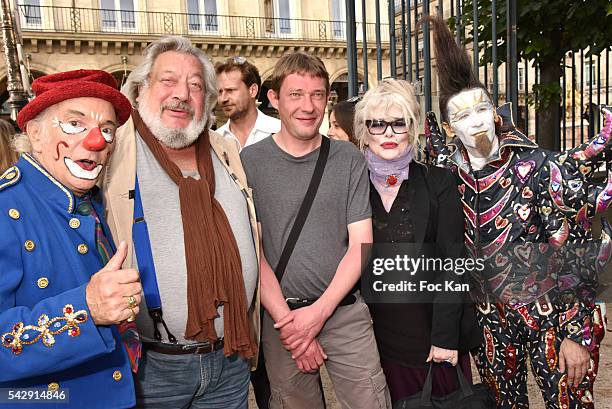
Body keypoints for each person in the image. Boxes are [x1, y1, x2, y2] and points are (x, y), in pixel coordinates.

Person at [425, 16, 610, 408]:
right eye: (461, 116)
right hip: (488, 324)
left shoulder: (538, 167)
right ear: (448, 126)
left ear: (495, 113)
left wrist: (576, 332)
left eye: (481, 109)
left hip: (551, 318)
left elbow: (575, 250)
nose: (475, 121)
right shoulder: (445, 176)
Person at [101, 36, 260, 408]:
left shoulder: (225, 150)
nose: (182, 94)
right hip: (152, 367)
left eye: (195, 85)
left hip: (230, 358)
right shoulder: (114, 150)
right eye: (168, 80)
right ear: (141, 89)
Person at [240, 51, 391, 409]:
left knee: (372, 400)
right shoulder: (249, 162)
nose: (307, 106)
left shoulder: (348, 158)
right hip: (281, 320)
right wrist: (292, 328)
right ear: (274, 98)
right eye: (296, 94)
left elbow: (361, 245)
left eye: (317, 95)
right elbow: (252, 252)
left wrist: (319, 314)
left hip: (343, 312)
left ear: (327, 99)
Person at [0, 69, 138, 408]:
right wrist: (86, 309)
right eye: (75, 124)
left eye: (106, 130)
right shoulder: (5, 208)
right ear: (34, 133)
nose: (96, 142)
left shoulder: (88, 200)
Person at [354, 78, 482, 405]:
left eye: (398, 124)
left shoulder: (437, 183)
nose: (388, 134)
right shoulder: (351, 185)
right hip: (375, 342)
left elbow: (454, 263)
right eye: (377, 124)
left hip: (431, 341)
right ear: (364, 130)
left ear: (412, 128)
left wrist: (444, 339)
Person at [217, 56, 280, 150]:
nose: (223, 98)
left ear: (253, 90)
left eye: (230, 90)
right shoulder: (215, 141)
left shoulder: (280, 131)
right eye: (220, 92)